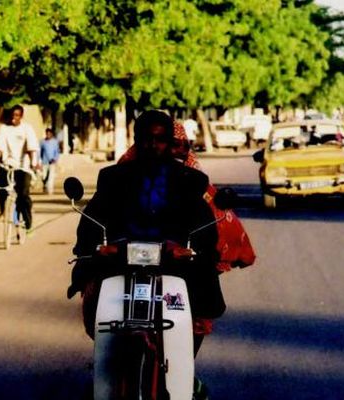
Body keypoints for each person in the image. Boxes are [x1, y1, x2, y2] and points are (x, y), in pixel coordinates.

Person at [69, 111, 252, 365]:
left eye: (160, 139)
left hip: (173, 261)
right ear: (135, 140)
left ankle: (186, 366)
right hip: (121, 258)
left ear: (169, 142)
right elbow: (94, 216)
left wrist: (191, 249)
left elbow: (203, 224)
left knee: (200, 305)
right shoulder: (113, 177)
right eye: (145, 138)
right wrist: (95, 247)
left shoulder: (191, 180)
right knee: (93, 298)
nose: (152, 145)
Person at [0, 105, 39, 230]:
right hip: (8, 164)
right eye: (12, 115)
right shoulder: (4, 128)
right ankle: (3, 211)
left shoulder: (27, 129)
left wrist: (33, 164)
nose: (14, 118)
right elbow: (0, 147)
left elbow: (31, 148)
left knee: (23, 194)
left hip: (23, 165)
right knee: (1, 186)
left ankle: (27, 222)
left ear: (21, 116)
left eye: (17, 115)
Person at [39, 128, 61, 195]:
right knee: (44, 176)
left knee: (51, 176)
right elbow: (39, 152)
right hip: (44, 162)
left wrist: (55, 159)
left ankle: (50, 190)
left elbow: (57, 152)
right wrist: (39, 160)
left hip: (52, 162)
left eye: (49, 133)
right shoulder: (42, 142)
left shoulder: (55, 142)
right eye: (47, 133)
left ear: (51, 134)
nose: (48, 135)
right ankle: (45, 186)